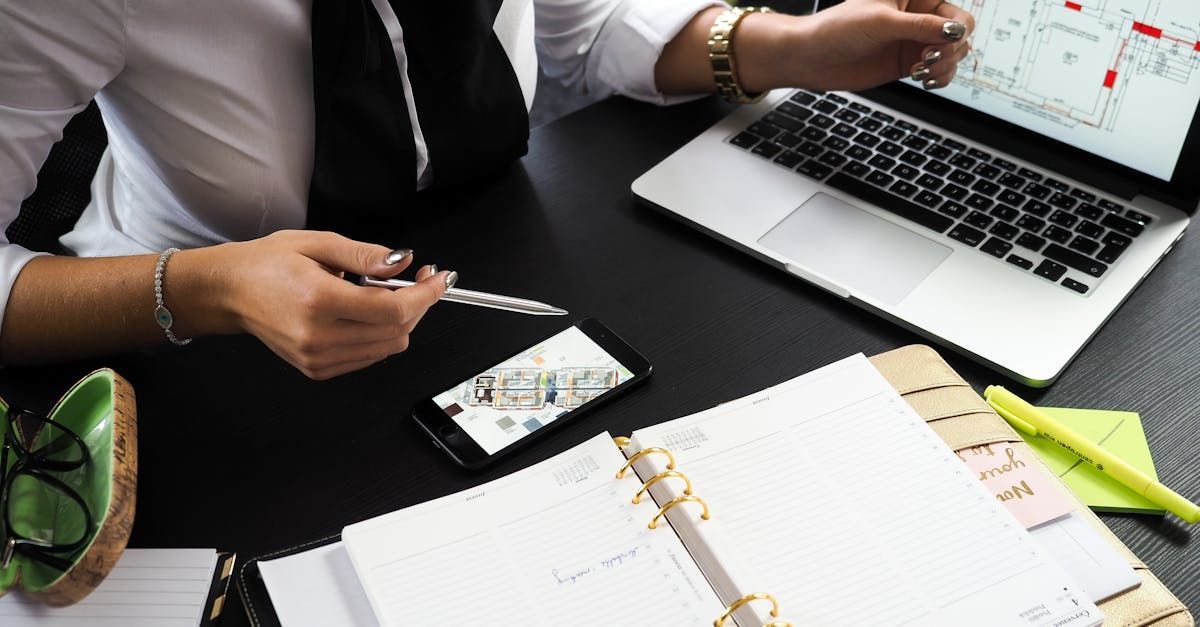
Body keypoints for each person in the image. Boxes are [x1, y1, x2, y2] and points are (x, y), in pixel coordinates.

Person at [0, 0, 973, 380]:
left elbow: (583, 34)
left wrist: (785, 49)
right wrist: (205, 288)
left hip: (496, 260)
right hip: (202, 354)